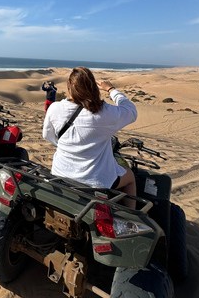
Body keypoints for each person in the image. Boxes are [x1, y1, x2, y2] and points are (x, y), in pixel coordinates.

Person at [42, 67, 138, 208]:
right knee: (130, 178)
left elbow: (48, 136)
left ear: (69, 85)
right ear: (93, 87)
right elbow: (131, 111)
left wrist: (70, 144)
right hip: (95, 183)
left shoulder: (55, 108)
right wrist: (111, 89)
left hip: (60, 174)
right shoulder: (105, 112)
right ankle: (130, 219)